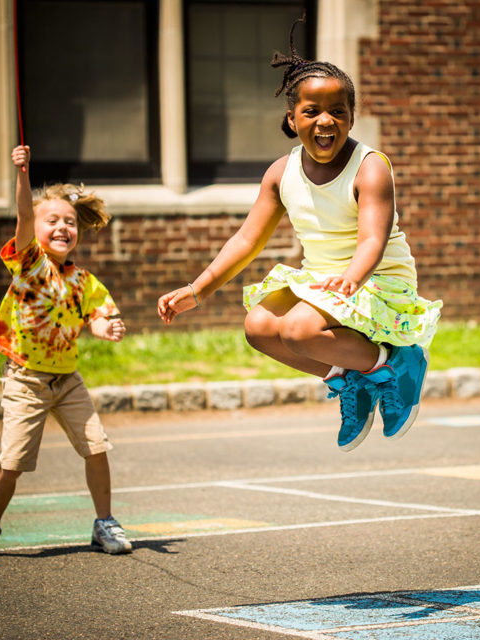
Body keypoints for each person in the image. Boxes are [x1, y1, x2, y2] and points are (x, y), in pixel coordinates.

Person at [157, 20, 441, 452]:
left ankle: (397, 364)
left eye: (338, 110)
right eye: (312, 111)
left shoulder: (370, 167)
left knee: (298, 330)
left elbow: (372, 239)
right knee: (258, 326)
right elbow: (246, 241)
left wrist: (352, 278)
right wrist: (199, 289)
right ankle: (352, 380)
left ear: (350, 115)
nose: (325, 120)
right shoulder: (280, 173)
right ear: (292, 118)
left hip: (378, 281)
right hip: (323, 282)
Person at [0, 145, 133, 558]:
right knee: (13, 462)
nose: (62, 227)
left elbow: (94, 316)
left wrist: (105, 327)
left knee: (96, 448)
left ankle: (105, 523)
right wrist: (22, 175)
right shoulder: (29, 263)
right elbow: (22, 214)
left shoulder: (84, 280)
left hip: (68, 379)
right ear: (35, 228)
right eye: (51, 220)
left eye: (69, 222)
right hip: (26, 378)